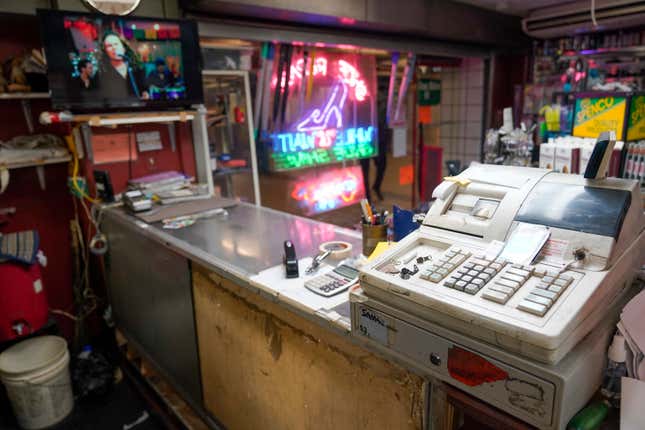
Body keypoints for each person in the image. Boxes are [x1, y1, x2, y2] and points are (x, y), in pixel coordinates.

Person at [100, 31, 148, 100]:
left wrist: (145, 94)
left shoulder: (137, 69)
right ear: (105, 51)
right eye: (109, 46)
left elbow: (144, 89)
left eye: (116, 44)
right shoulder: (103, 73)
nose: (114, 48)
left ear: (123, 48)